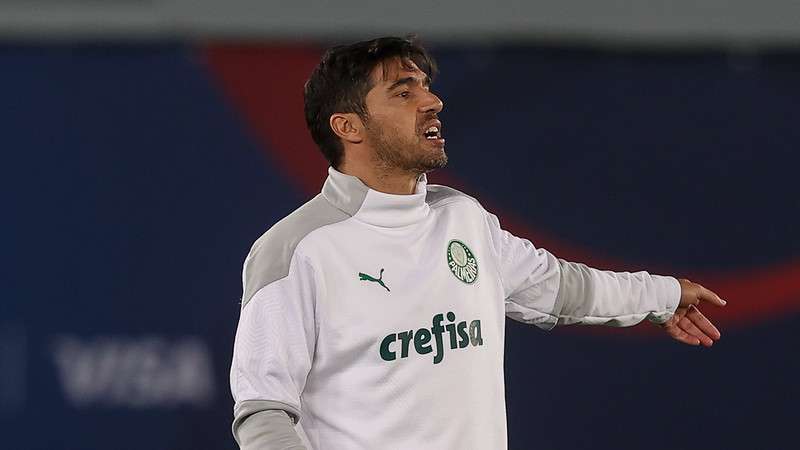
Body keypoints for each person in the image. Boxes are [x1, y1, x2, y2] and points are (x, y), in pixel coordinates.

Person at [229, 36, 726, 450]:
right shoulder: (295, 250)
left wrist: (664, 296)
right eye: (404, 92)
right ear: (348, 126)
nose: (433, 101)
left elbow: (562, 288)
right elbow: (264, 412)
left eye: (426, 86)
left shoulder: (462, 218)